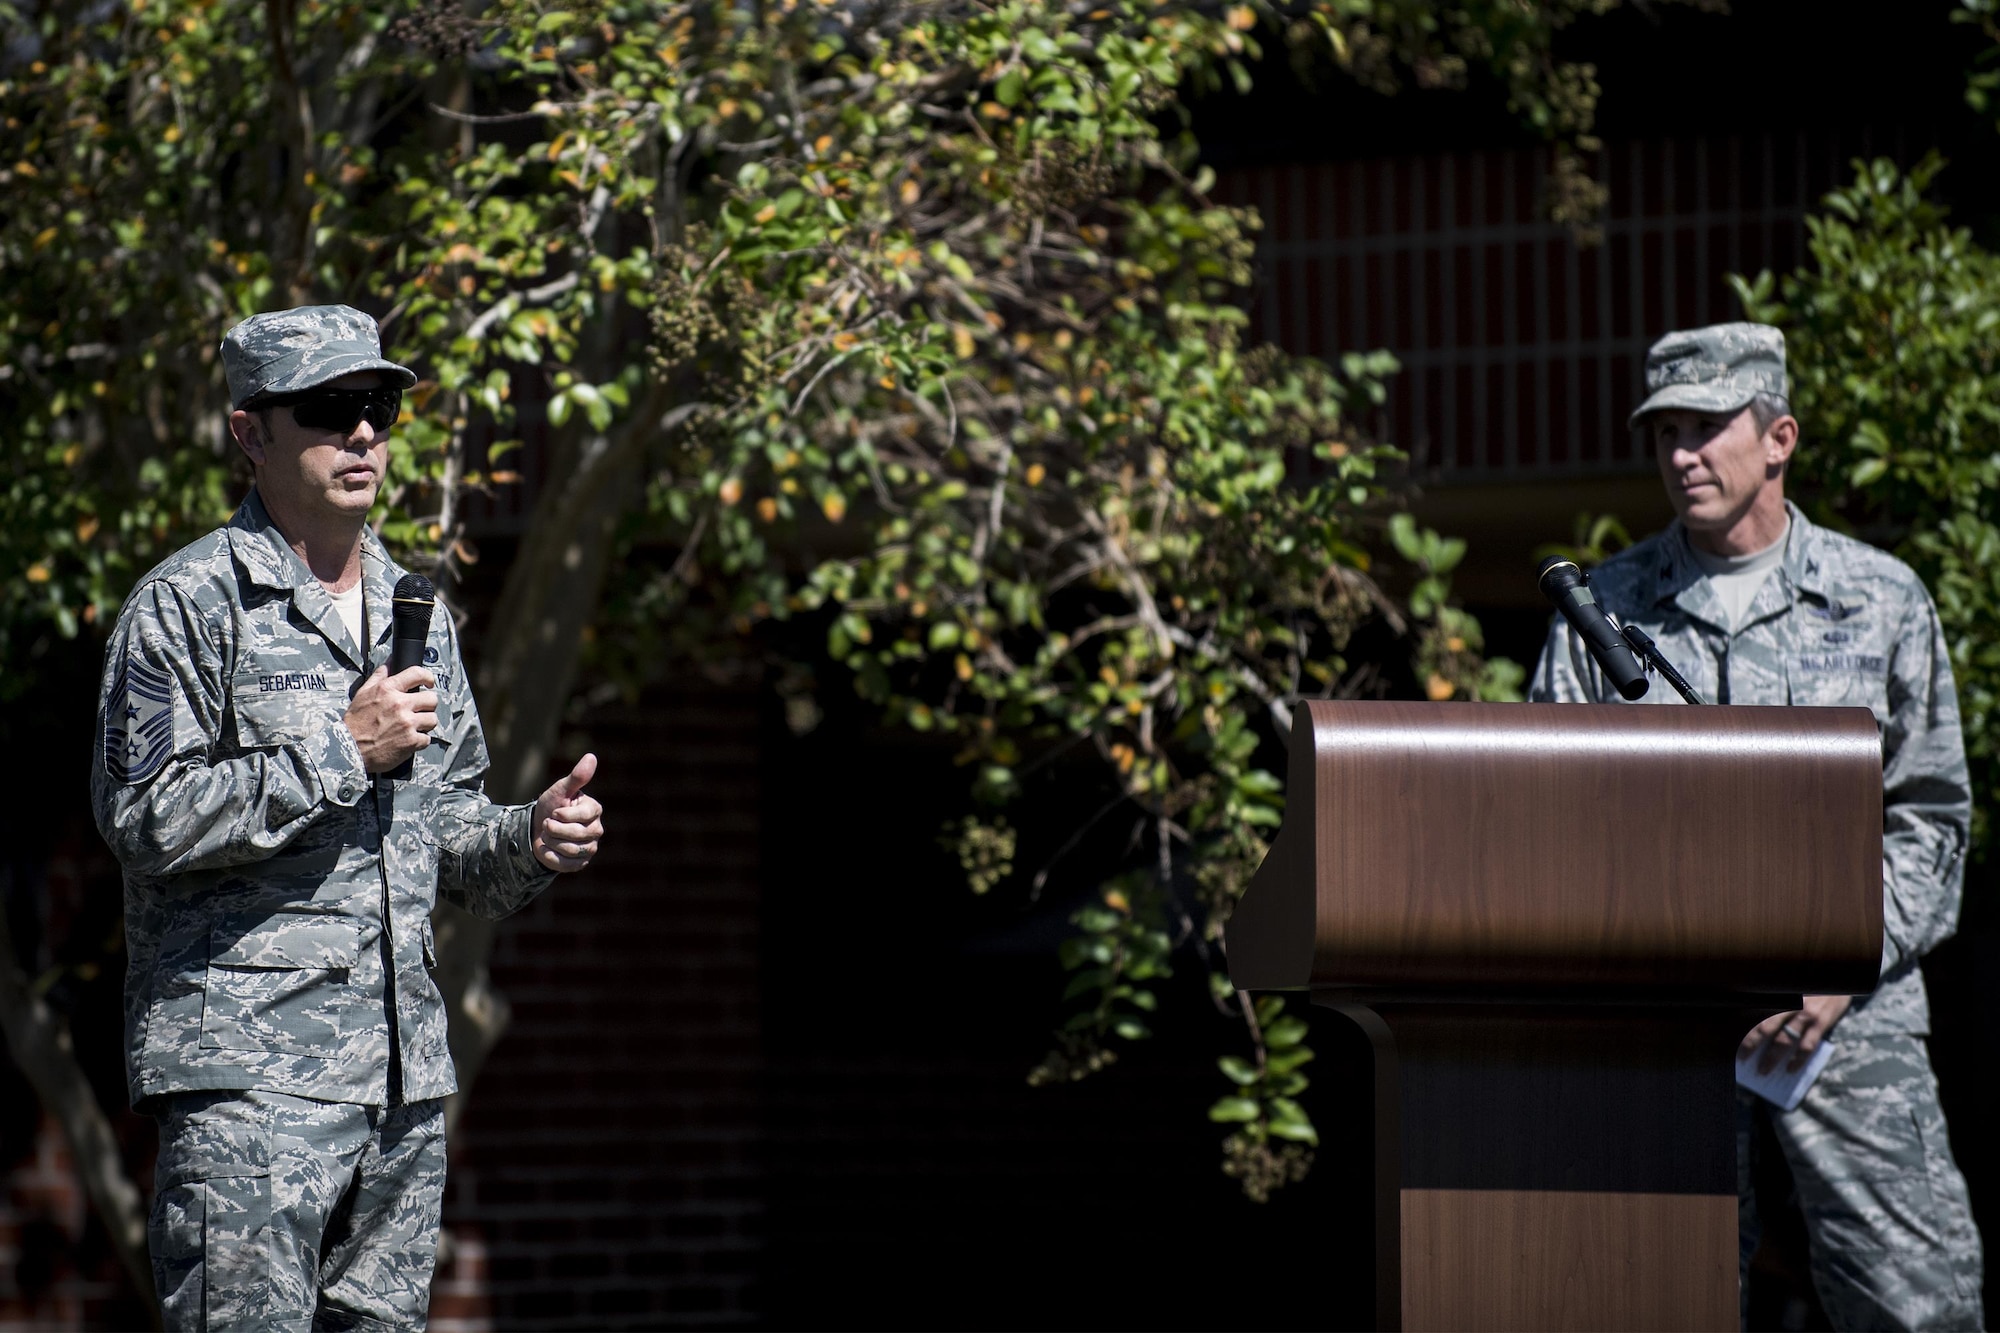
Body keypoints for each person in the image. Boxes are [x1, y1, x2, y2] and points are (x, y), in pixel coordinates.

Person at [90, 304, 606, 1331]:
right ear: (251, 433)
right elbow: (144, 817)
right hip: (250, 1090)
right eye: (329, 409)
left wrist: (529, 839)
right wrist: (341, 748)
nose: (364, 432)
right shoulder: (187, 604)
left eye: (378, 405)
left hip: (401, 1091)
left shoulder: (417, 612)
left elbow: (445, 829)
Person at [1530, 322, 1983, 1330]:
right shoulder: (1602, 612)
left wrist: (1841, 959)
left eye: (1705, 427)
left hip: (1848, 1017)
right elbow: (1552, 820)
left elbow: (1930, 815)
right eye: (1665, 433)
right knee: (1656, 1297)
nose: (1681, 454)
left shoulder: (1878, 599)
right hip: (1666, 1027)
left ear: (1778, 438)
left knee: (1917, 1301)